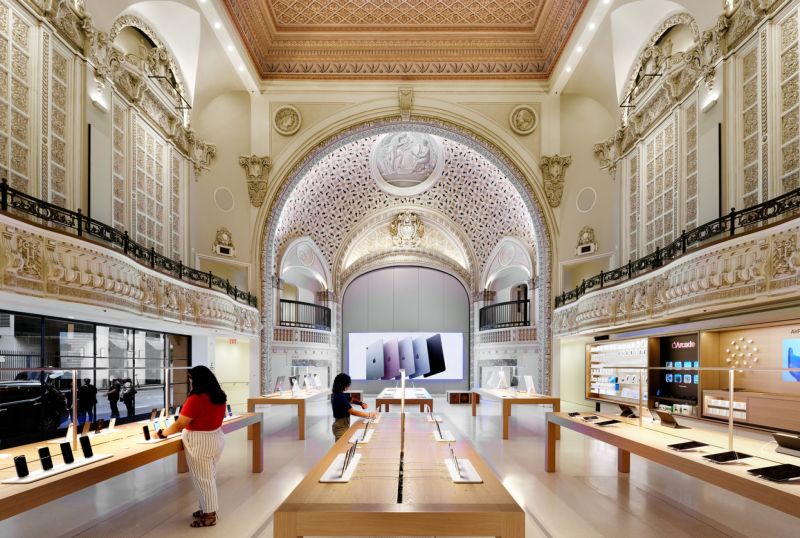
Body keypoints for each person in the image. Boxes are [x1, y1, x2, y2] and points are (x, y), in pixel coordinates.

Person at [156, 365, 227, 528]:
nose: (190, 382)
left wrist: (162, 433)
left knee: (203, 479)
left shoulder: (196, 398)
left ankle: (210, 515)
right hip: (215, 438)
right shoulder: (219, 395)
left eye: (191, 378)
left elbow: (181, 423)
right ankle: (206, 508)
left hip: (200, 442)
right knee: (209, 477)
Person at [330, 373, 374, 442]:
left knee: (343, 446)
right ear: (343, 384)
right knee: (340, 448)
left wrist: (361, 403)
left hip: (343, 424)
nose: (348, 386)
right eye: (348, 384)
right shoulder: (339, 397)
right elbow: (352, 411)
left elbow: (351, 399)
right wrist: (369, 414)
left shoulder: (339, 393)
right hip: (340, 427)